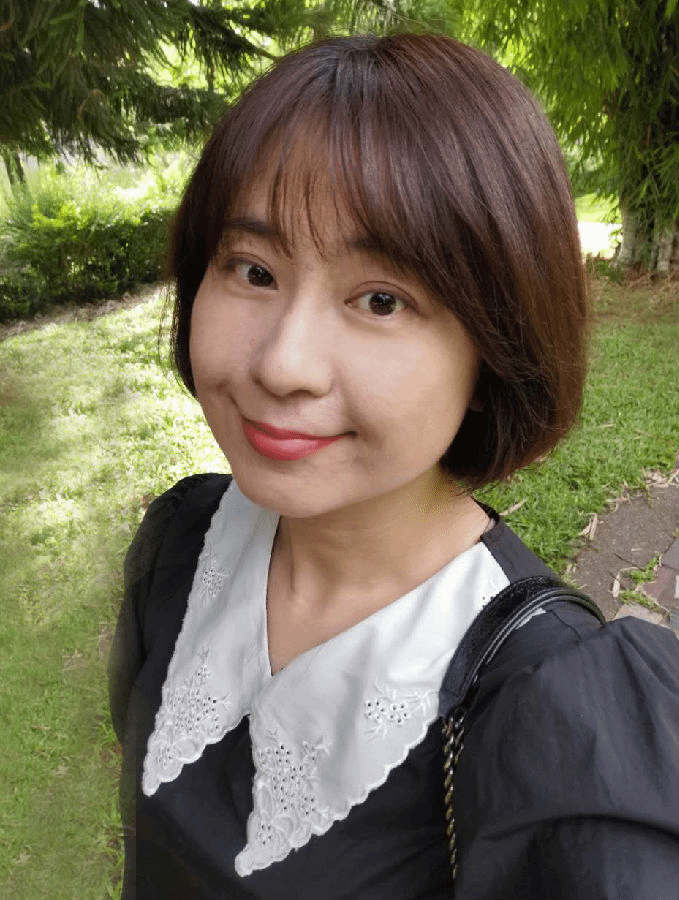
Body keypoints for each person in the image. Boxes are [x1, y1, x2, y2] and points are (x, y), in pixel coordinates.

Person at [109, 33, 679, 900]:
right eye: (253, 271)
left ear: (495, 346)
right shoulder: (181, 543)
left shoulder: (549, 710)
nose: (283, 364)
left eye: (381, 299)